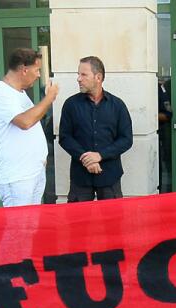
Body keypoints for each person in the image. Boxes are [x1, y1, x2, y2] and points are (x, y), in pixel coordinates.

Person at [0, 48, 59, 207]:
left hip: (32, 172)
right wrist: (49, 99)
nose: (39, 74)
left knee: (31, 227)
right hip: (18, 177)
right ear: (24, 70)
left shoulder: (18, 92)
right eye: (37, 70)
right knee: (18, 229)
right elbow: (25, 122)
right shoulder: (0, 92)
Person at [57, 56, 133, 202]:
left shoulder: (117, 106)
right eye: (78, 74)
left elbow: (126, 139)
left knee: (113, 222)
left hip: (110, 175)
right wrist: (86, 159)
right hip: (81, 177)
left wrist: (100, 155)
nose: (78, 79)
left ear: (98, 77)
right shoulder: (71, 105)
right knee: (77, 222)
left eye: (83, 74)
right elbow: (65, 137)